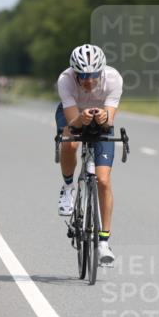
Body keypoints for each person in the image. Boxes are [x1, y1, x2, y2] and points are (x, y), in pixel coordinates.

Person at [56, 44, 124, 266]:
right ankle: (67, 188)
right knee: (70, 144)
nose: (87, 80)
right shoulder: (65, 80)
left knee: (103, 181)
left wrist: (102, 118)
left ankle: (104, 242)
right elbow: (72, 123)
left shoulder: (113, 78)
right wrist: (81, 119)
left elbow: (110, 120)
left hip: (101, 119)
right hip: (74, 114)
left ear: (101, 71)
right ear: (74, 72)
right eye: (82, 75)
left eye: (93, 75)